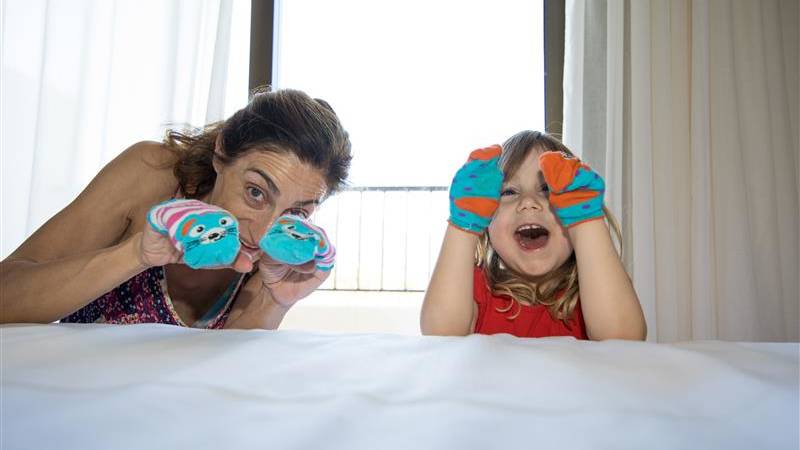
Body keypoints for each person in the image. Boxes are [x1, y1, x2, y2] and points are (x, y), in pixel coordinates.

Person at [0, 88, 351, 329]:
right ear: (222, 152)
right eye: (256, 193)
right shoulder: (151, 173)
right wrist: (137, 254)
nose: (262, 234)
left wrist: (276, 301)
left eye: (296, 212)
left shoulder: (279, 252)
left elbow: (225, 388)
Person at [420, 130, 646, 340]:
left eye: (548, 189)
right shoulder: (475, 287)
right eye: (509, 191)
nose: (528, 202)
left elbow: (623, 340)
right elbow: (441, 336)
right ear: (487, 219)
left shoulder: (595, 286)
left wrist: (586, 223)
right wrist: (464, 226)